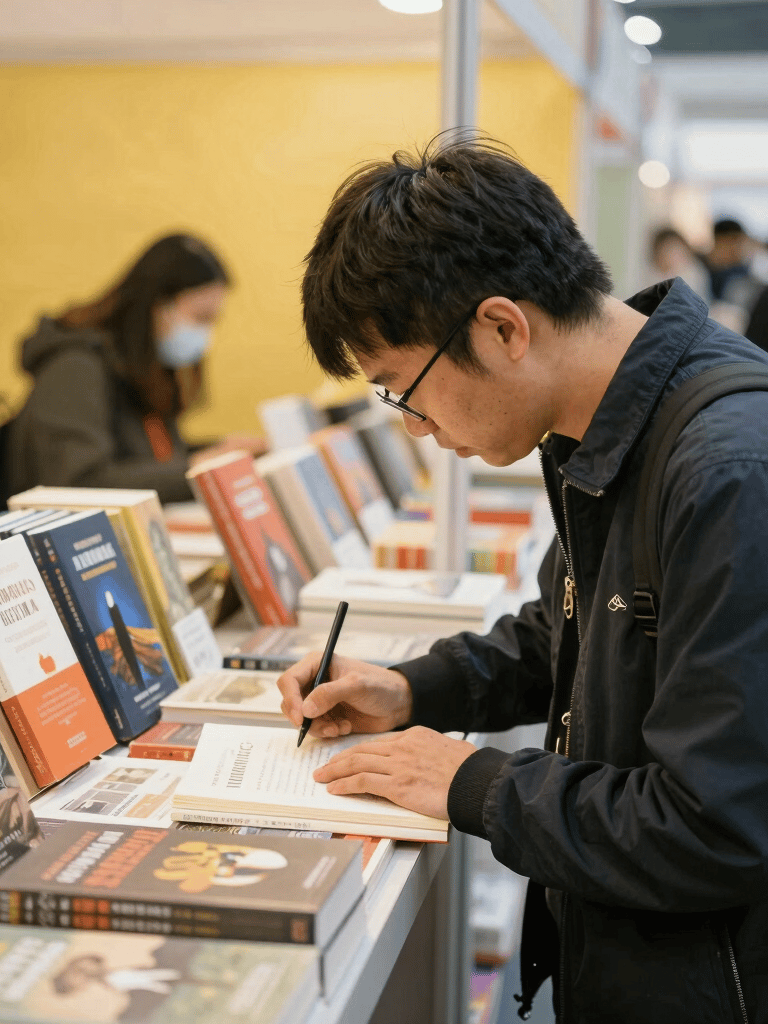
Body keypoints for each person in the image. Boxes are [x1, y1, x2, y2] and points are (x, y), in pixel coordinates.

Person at [279, 135, 768, 1023]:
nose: (417, 428)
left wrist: (478, 784)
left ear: (502, 328)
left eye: (403, 389)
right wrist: (411, 688)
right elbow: (577, 628)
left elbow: (716, 827)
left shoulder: (730, 469)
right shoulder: (617, 424)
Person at [5, 233, 265, 505]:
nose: (206, 334)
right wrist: (197, 468)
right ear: (156, 305)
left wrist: (220, 453)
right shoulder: (75, 368)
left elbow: (153, 458)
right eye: (201, 317)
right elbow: (79, 482)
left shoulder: (141, 368)